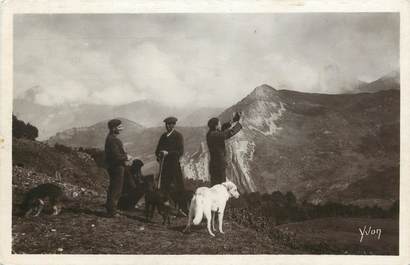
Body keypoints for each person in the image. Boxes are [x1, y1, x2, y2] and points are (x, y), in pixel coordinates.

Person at [206, 112, 242, 186]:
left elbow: (223, 128)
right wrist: (239, 124)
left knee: (215, 185)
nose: (220, 125)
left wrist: (234, 120)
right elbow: (229, 133)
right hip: (218, 165)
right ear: (216, 126)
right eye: (219, 124)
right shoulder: (215, 135)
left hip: (214, 164)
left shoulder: (211, 133)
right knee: (221, 185)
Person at [104, 119, 130, 217]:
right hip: (117, 167)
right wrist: (127, 157)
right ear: (114, 128)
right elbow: (116, 156)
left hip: (113, 166)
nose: (122, 129)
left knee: (114, 187)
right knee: (116, 189)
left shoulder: (110, 138)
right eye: (120, 127)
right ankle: (112, 211)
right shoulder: (113, 140)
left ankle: (111, 209)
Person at [155, 116, 185, 195]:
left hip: (174, 164)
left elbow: (180, 151)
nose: (167, 126)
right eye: (166, 124)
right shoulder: (163, 136)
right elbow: (157, 150)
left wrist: (168, 153)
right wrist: (159, 155)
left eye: (170, 124)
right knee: (164, 186)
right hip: (164, 165)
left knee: (178, 185)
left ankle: (182, 205)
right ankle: (165, 204)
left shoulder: (178, 136)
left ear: (174, 125)